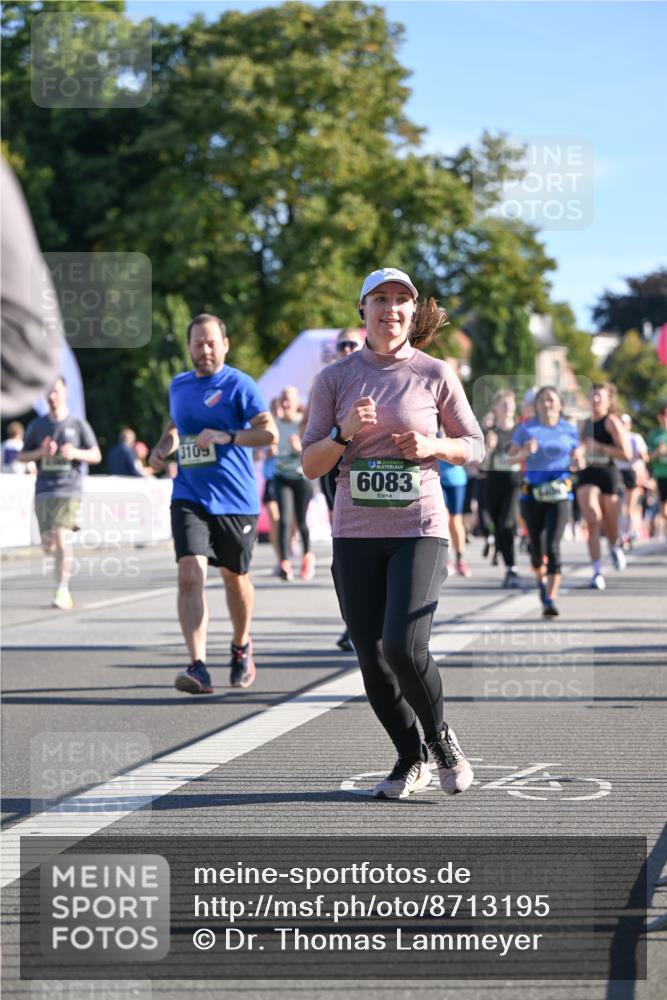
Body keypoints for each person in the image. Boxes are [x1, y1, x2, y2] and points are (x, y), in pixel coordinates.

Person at [302, 267, 484, 800]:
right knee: (371, 654)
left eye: (401, 300)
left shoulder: (435, 373)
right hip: (355, 532)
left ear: (411, 312)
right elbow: (311, 464)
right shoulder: (334, 379)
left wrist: (434, 446)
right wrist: (343, 434)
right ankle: (410, 757)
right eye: (379, 299)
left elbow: (474, 444)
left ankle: (442, 741)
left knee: (404, 646)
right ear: (363, 311)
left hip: (419, 527)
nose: (391, 309)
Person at [149, 313, 278, 694]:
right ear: (188, 347)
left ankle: (241, 645)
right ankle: (198, 666)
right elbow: (175, 429)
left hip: (235, 499)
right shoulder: (179, 385)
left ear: (225, 344)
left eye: (210, 343)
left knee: (235, 579)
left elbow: (268, 433)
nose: (203, 350)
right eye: (197, 343)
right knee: (190, 575)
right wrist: (162, 448)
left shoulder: (240, 384)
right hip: (189, 493)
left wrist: (226, 436)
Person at [19, 375, 101, 609]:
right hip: (44, 490)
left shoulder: (77, 425)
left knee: (62, 536)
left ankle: (62, 589)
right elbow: (23, 456)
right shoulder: (37, 426)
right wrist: (41, 453)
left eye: (55, 391)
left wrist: (74, 453)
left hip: (69, 489)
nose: (51, 397)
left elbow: (96, 455)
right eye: (48, 392)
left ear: (65, 392)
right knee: (49, 544)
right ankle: (59, 577)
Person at [509, 386, 583, 617]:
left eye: (551, 400)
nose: (547, 404)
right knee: (536, 548)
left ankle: (550, 598)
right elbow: (510, 457)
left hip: (560, 494)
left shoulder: (569, 429)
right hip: (531, 494)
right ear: (536, 405)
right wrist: (524, 453)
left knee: (553, 546)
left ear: (560, 405)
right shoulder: (525, 429)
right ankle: (541, 582)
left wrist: (579, 460)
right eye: (542, 400)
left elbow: (579, 462)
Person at [576, 383, 632, 590]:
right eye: (593, 396)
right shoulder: (583, 424)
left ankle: (613, 545)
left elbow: (625, 453)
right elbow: (578, 448)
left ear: (609, 401)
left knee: (610, 525)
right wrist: (578, 453)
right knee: (592, 518)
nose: (595, 400)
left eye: (600, 397)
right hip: (587, 473)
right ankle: (597, 571)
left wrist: (599, 447)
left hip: (608, 473)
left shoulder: (611, 422)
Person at [273, 385, 316, 581]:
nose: (285, 402)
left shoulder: (303, 423)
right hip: (281, 476)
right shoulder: (275, 423)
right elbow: (267, 443)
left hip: (301, 477)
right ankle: (284, 563)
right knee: (283, 520)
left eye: (289, 398)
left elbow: (314, 453)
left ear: (297, 402)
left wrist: (299, 448)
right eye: (283, 398)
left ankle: (307, 557)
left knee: (300, 521)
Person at [483, 390, 522, 588]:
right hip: (493, 480)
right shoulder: (490, 433)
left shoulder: (520, 431)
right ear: (495, 408)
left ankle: (512, 567)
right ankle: (508, 567)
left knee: (507, 523)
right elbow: (479, 465)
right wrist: (488, 448)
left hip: (514, 482)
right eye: (502, 404)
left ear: (514, 407)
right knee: (497, 524)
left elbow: (531, 457)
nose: (506, 407)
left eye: (509, 403)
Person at [618, 413, 649, 547]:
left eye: (625, 423)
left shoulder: (635, 438)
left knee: (630, 506)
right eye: (621, 423)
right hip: (618, 472)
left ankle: (628, 534)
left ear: (629, 425)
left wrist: (638, 455)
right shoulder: (615, 438)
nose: (623, 425)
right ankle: (622, 534)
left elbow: (645, 457)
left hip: (632, 472)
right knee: (620, 505)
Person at [437, 459, 471, 577]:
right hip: (437, 479)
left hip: (456, 481)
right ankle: (447, 559)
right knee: (444, 518)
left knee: (456, 520)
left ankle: (460, 559)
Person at [647, 404, 667, 533]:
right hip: (660, 475)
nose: (665, 417)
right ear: (658, 417)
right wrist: (658, 452)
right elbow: (647, 457)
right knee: (663, 510)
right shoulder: (654, 435)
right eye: (663, 414)